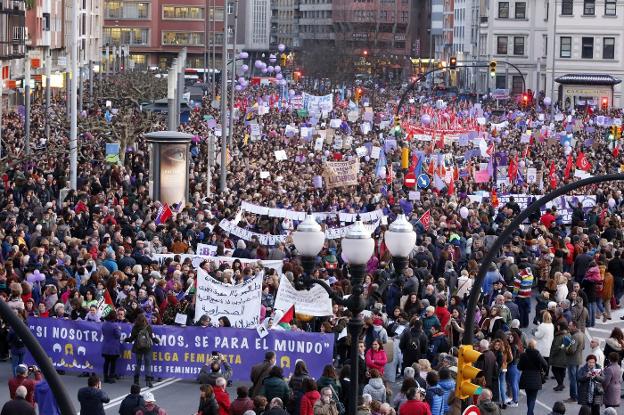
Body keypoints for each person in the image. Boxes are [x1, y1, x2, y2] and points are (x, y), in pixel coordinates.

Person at [124, 313, 160, 387]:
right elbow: (152, 337)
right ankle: (148, 381)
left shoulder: (135, 327)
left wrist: (125, 339)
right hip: (147, 348)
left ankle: (136, 381)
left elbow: (131, 339)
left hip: (138, 348)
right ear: (145, 319)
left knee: (138, 364)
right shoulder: (148, 327)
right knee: (148, 364)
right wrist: (157, 341)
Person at [518, 339, 549, 415]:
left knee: (529, 397)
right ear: (535, 346)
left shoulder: (523, 355)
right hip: (536, 378)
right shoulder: (537, 354)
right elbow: (545, 364)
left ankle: (530, 412)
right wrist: (543, 371)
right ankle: (530, 413)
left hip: (525, 378)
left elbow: (519, 367)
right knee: (532, 398)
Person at [566, 320, 585, 402]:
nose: (568, 327)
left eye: (570, 326)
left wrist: (566, 348)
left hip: (572, 360)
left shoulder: (574, 337)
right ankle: (577, 395)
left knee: (572, 379)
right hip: (578, 359)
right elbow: (583, 347)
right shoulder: (581, 334)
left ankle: (573, 397)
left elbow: (572, 350)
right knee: (576, 378)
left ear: (574, 326)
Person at [102, 311, 122, 383]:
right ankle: (111, 377)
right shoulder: (115, 325)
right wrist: (119, 329)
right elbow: (118, 335)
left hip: (106, 346)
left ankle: (105, 377)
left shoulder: (104, 324)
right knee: (113, 363)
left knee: (106, 362)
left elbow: (104, 333)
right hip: (113, 347)